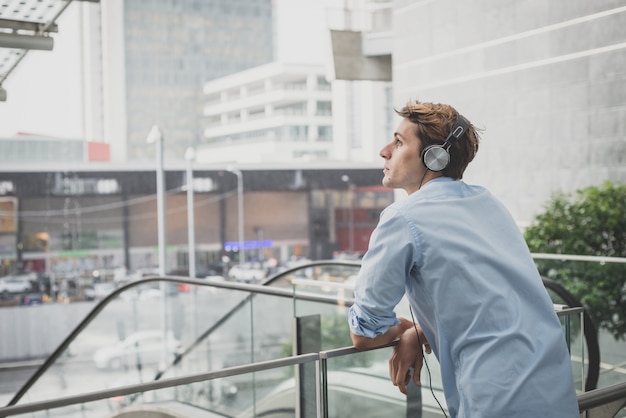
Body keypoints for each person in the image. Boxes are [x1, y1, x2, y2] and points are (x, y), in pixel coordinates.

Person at [348, 100, 579, 417]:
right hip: (553, 389)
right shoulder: (488, 203)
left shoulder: (402, 218)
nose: (384, 151)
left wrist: (400, 331)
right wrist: (420, 330)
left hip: (497, 399)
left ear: (434, 157)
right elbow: (485, 298)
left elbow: (364, 332)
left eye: (399, 142)